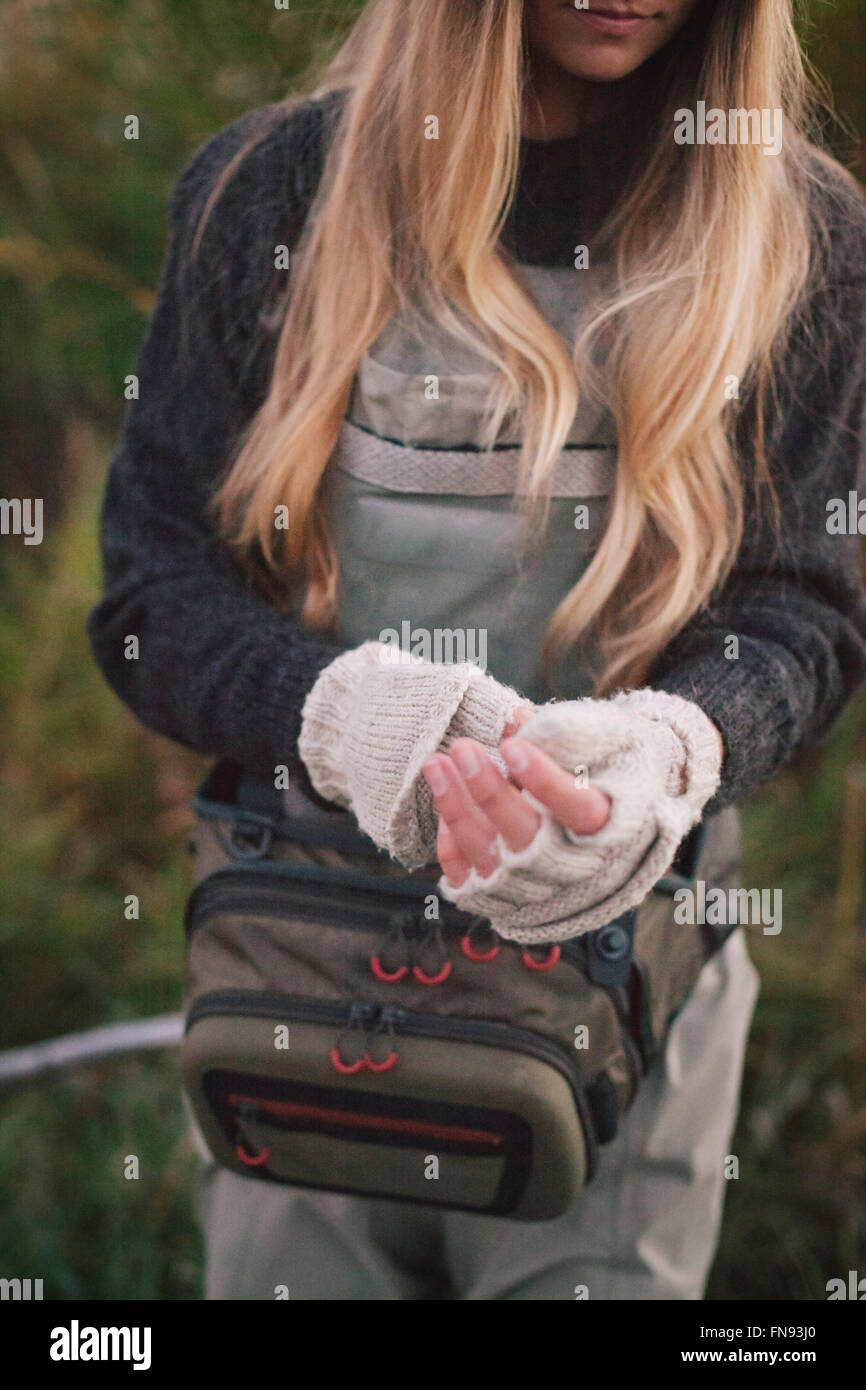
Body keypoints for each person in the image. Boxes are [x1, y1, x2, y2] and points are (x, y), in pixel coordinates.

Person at [87, 0, 866, 1299]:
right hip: (300, 968)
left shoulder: (808, 233)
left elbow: (808, 608)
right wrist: (342, 713)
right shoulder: (269, 190)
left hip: (626, 988)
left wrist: (675, 747)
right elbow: (151, 597)